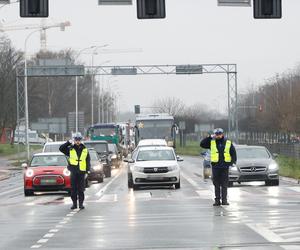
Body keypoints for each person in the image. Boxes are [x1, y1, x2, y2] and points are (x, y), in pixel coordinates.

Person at [200, 128, 236, 206]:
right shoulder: (212, 142)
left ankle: (224, 200)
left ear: (222, 134)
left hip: (224, 167)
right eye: (217, 134)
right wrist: (210, 137)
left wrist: (231, 163)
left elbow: (233, 153)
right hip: (216, 167)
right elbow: (202, 144)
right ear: (215, 134)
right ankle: (217, 201)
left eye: (219, 134)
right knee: (216, 184)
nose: (218, 135)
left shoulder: (228, 142)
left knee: (224, 184)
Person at [59, 133, 91, 210]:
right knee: (73, 189)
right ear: (74, 140)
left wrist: (87, 171)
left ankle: (81, 204)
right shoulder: (70, 149)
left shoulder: (85, 149)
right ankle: (74, 204)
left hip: (81, 172)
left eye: (79, 140)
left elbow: (88, 161)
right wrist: (68, 142)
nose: (77, 141)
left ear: (81, 140)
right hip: (73, 171)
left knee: (81, 189)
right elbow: (61, 149)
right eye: (76, 140)